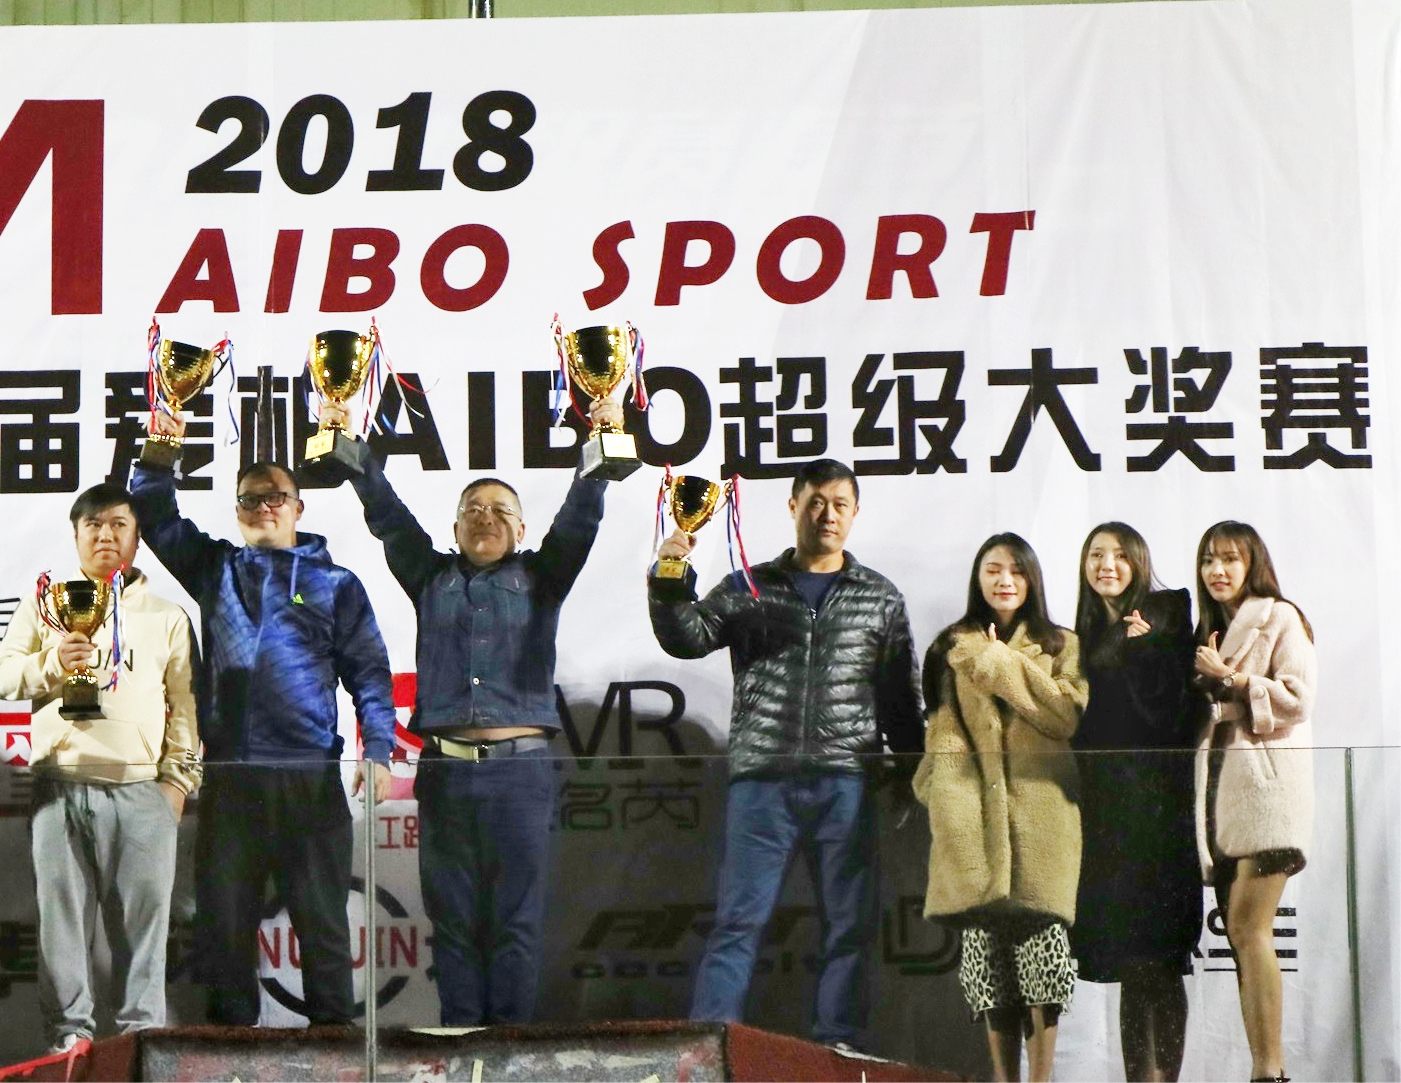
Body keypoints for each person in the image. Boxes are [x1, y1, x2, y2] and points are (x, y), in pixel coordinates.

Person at [325, 390, 618, 1025]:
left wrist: (599, 446)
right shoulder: (429, 577)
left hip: (521, 774)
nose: (486, 518)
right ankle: (461, 1050)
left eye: (501, 510)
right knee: (452, 923)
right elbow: (387, 514)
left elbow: (580, 517)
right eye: (472, 510)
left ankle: (506, 1054)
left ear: (522, 531)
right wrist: (348, 445)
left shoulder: (544, 576)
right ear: (455, 530)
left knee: (516, 923)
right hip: (447, 772)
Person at [130, 411, 396, 1026]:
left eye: (275, 497)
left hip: (309, 778)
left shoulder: (335, 584)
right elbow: (156, 515)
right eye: (249, 499)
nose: (263, 507)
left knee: (323, 927)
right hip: (232, 779)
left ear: (299, 508)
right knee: (223, 931)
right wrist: (161, 446)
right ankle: (230, 1057)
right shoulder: (216, 569)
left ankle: (335, 1054)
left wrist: (379, 748)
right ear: (237, 510)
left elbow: (369, 675)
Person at [648, 458, 923, 1051]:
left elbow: (901, 699)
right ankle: (711, 1049)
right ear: (793, 505)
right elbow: (686, 637)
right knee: (738, 924)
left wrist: (909, 777)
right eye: (816, 502)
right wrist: (670, 577)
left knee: (849, 927)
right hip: (762, 780)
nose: (827, 515)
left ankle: (838, 1049)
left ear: (855, 514)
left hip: (847, 781)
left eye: (840, 504)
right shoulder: (749, 584)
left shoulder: (879, 597)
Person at [0, 483, 202, 1063]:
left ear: (136, 536)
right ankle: (69, 1045)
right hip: (59, 787)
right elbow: (3, 678)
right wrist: (51, 662)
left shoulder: (166, 617)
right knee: (60, 927)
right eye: (93, 525)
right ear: (76, 534)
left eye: (118, 525)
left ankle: (140, 1043)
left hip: (141, 791)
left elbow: (186, 709)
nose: (105, 535)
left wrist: (176, 785)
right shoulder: (46, 603)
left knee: (144, 931)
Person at [915, 533, 1086, 1083]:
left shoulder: (1061, 644)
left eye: (1016, 570)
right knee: (987, 969)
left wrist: (998, 662)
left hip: (1044, 819)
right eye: (992, 569)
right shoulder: (950, 646)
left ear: (1032, 578)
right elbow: (941, 732)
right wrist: (941, 796)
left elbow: (1063, 716)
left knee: (1044, 961)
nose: (1004, 580)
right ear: (978, 577)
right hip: (973, 822)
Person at [1069, 523, 1199, 1083]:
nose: (1107, 564)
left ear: (1140, 562)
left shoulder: (1167, 613)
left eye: (1120, 555)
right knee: (1130, 965)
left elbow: (1178, 712)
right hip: (1106, 818)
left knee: (1161, 961)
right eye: (1096, 554)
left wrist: (1143, 650)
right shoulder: (1081, 633)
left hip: (1159, 814)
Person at [1191, 521, 1313, 1083]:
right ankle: (1266, 1068)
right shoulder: (1208, 628)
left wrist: (1234, 680)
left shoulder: (1281, 617)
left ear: (1252, 564)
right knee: (1243, 938)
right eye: (1208, 560)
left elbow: (1298, 700)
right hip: (1222, 800)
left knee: (1247, 927)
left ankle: (1270, 1072)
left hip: (1269, 797)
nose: (1217, 570)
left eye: (1230, 559)